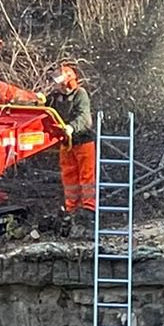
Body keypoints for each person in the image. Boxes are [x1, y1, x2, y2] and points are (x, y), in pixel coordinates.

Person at [44, 62, 96, 233]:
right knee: (69, 177)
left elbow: (84, 118)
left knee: (86, 176)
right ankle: (71, 208)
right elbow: (45, 110)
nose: (58, 85)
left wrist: (71, 127)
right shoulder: (56, 96)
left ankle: (88, 208)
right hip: (66, 143)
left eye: (60, 82)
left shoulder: (80, 94)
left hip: (82, 141)